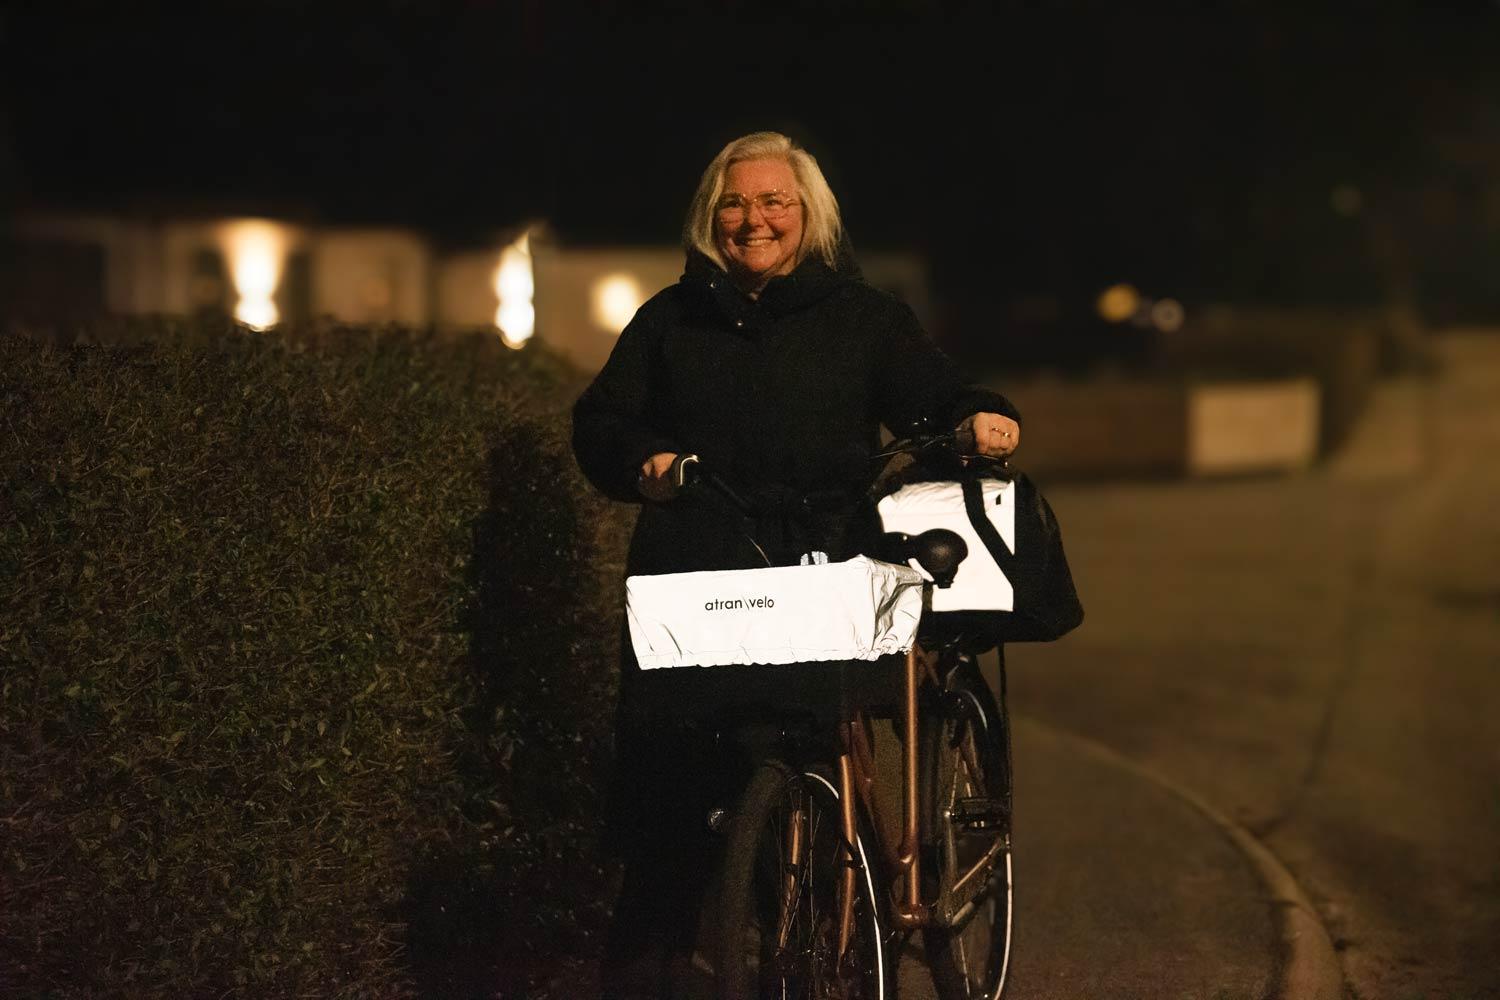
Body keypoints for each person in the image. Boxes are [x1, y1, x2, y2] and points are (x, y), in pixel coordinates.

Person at [571, 130, 1020, 998]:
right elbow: (603, 424)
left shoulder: (864, 318)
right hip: (700, 570)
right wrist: (648, 465)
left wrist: (982, 416)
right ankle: (666, 959)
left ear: (809, 216)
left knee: (817, 741)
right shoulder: (671, 318)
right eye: (735, 203)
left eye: (775, 201)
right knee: (676, 776)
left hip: (827, 562)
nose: (755, 219)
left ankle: (829, 921)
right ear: (711, 218)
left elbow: (938, 392)